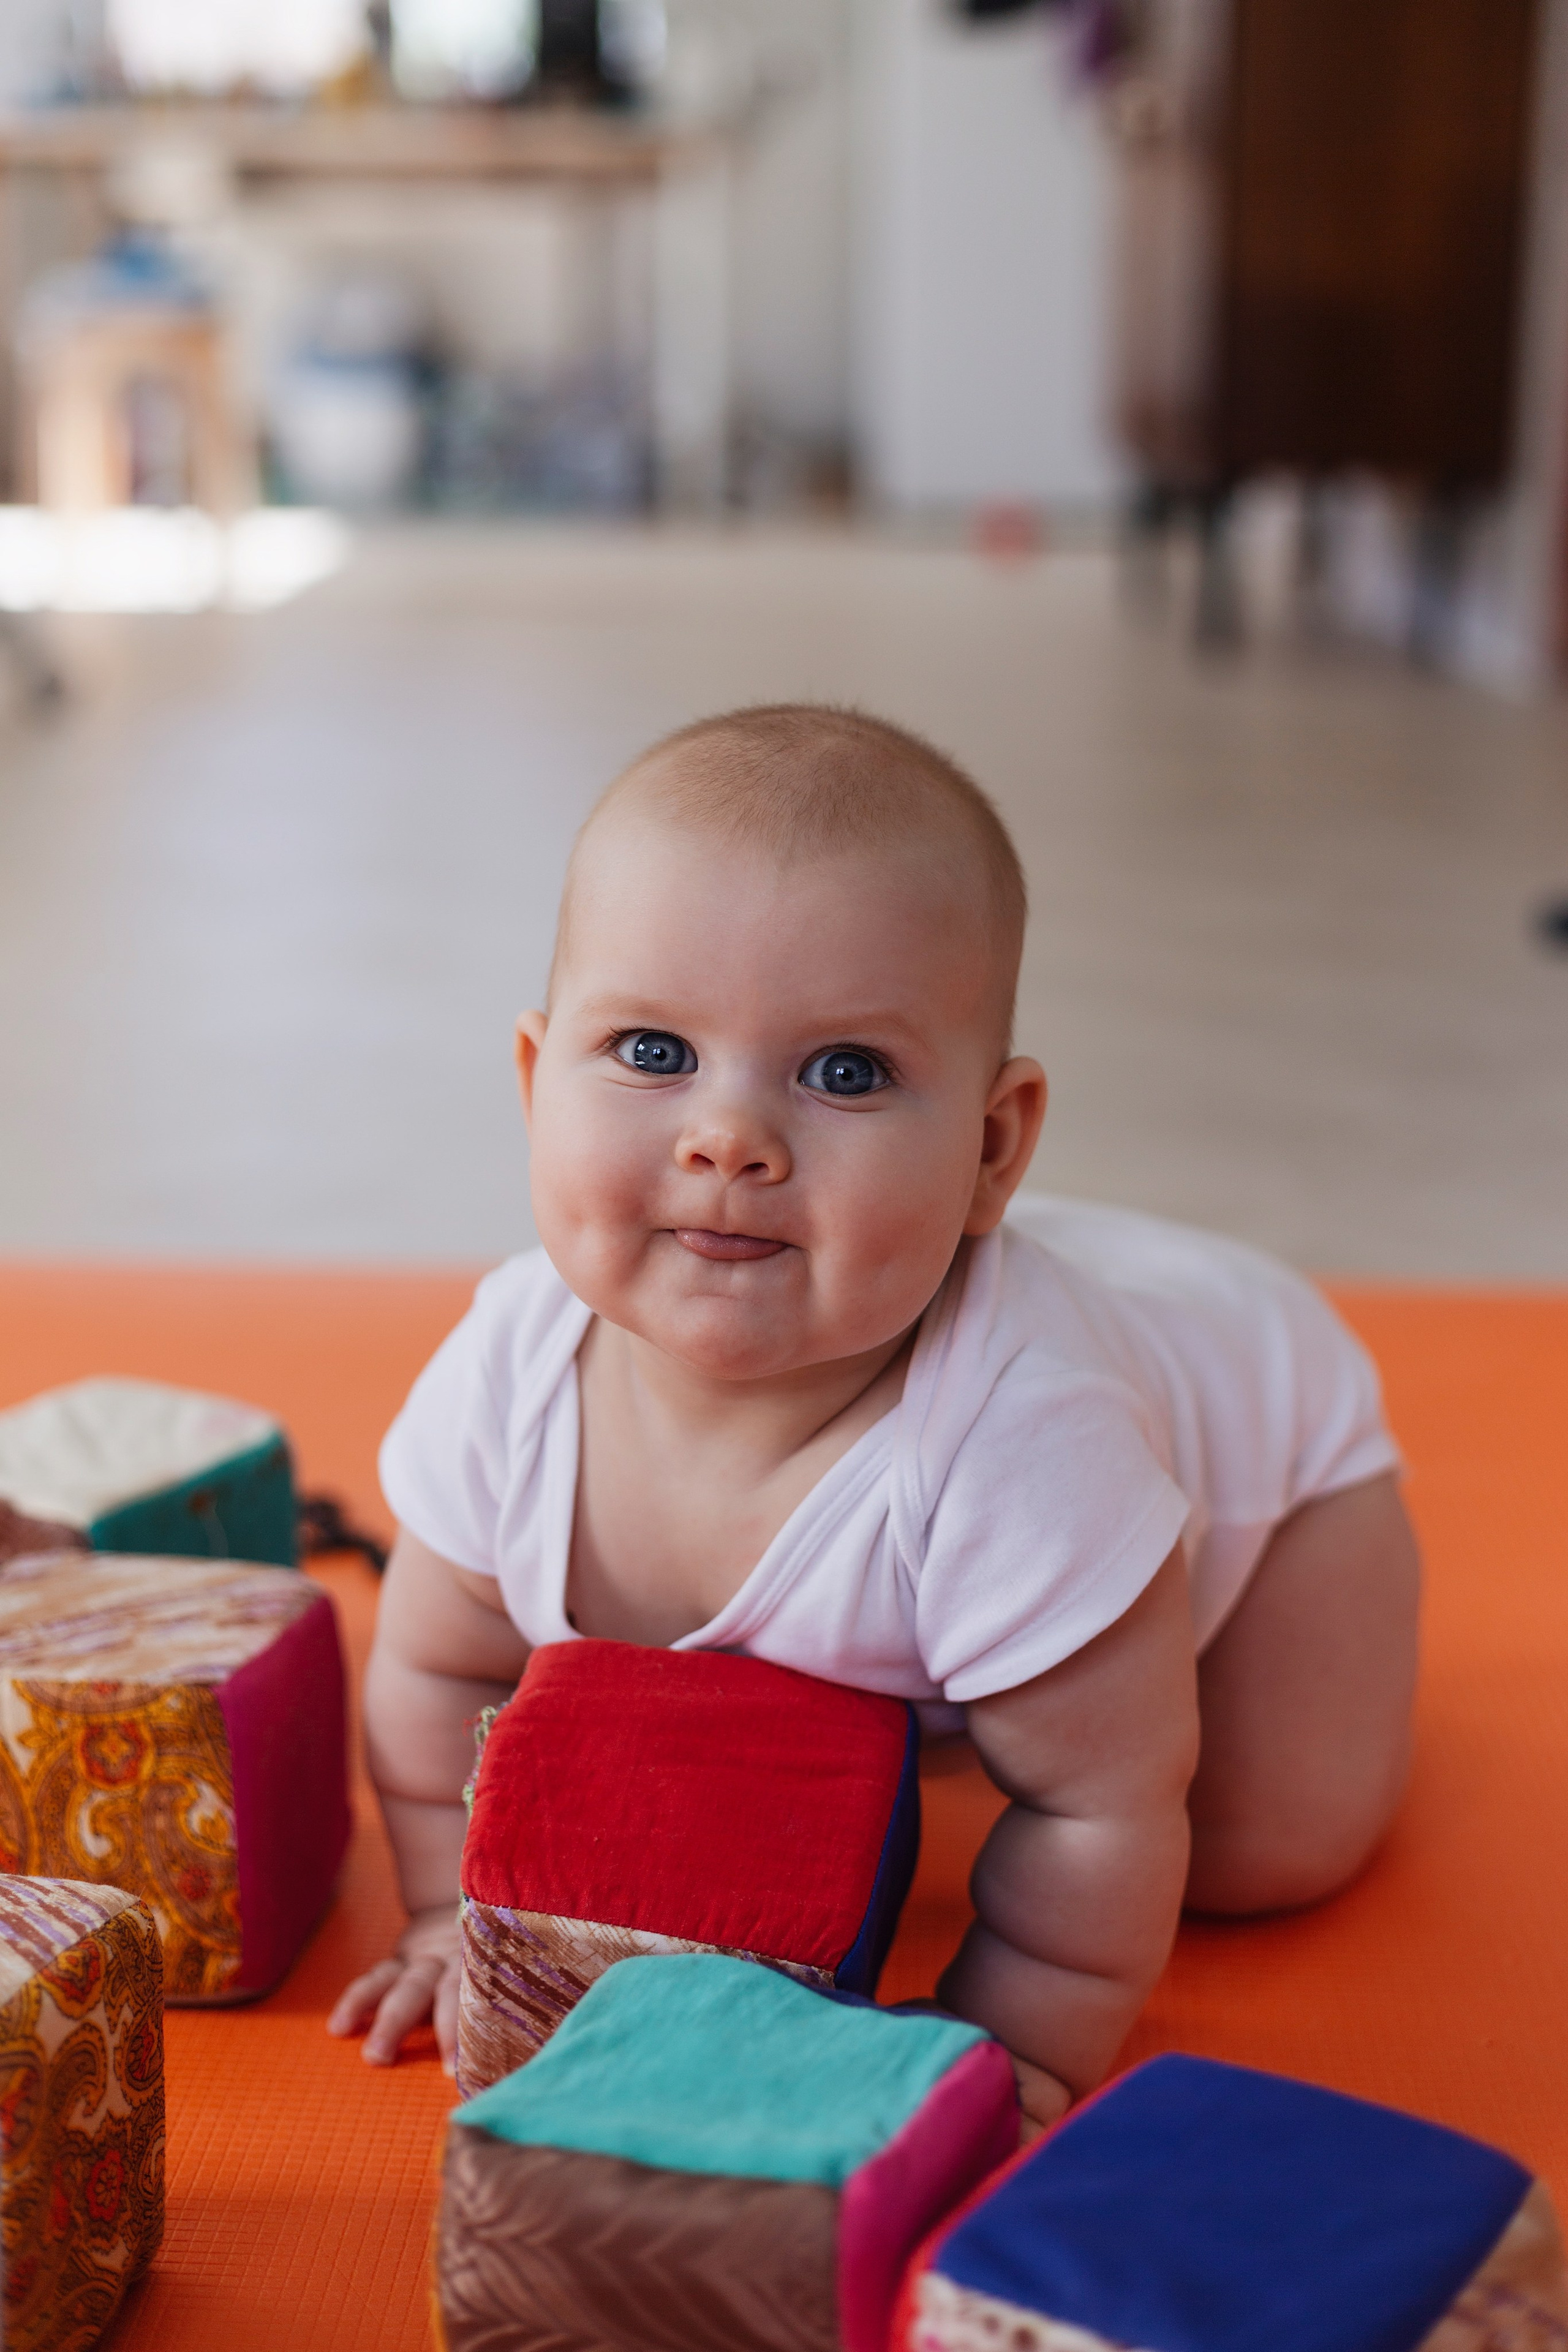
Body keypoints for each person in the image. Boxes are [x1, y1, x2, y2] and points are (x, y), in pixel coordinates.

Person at [327, 704, 1420, 2128]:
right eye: (653, 1052)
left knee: (1257, 1852)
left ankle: (1037, 1683)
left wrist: (1009, 2051)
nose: (728, 1139)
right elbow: (431, 1684)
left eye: (843, 1072)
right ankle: (971, 1690)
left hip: (1265, 1464)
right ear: (536, 1088)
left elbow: (1101, 1818)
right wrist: (441, 1925)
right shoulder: (509, 1379)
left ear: (988, 1148)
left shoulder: (1025, 1445)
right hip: (979, 1540)